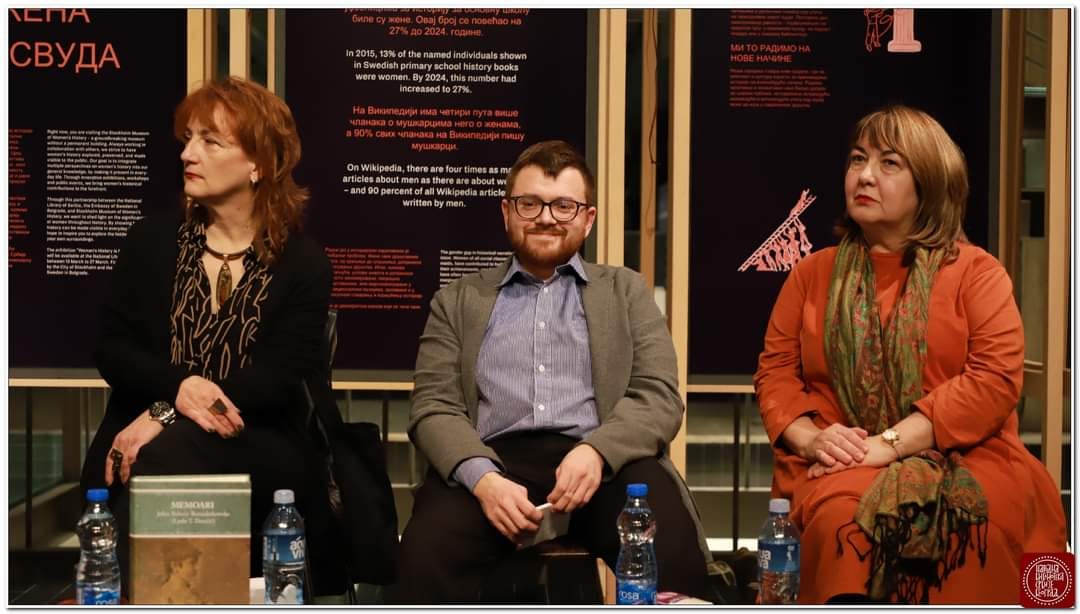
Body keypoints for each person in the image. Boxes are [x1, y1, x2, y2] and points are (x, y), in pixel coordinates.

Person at [754, 105, 1066, 604]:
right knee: (842, 521)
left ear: (930, 184)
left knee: (976, 522)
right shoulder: (811, 274)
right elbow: (776, 376)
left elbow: (993, 382)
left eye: (890, 163)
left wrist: (891, 443)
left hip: (969, 455)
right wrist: (814, 441)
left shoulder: (977, 273)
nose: (865, 175)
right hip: (840, 459)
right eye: (858, 159)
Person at [390, 140, 712, 604]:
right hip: (493, 463)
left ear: (588, 218)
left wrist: (597, 452)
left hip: (605, 464)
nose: (546, 217)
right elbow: (432, 407)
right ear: (507, 212)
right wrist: (482, 479)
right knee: (424, 558)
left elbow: (658, 395)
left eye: (564, 205)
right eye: (530, 203)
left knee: (673, 553)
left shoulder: (626, 292)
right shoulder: (457, 301)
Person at [79, 77, 342, 594]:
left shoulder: (305, 263)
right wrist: (176, 390)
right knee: (147, 457)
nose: (188, 154)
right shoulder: (150, 241)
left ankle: (149, 597)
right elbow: (113, 351)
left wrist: (165, 414)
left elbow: (275, 379)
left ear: (259, 163)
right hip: (141, 429)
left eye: (210, 141)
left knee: (161, 453)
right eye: (187, 139)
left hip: (256, 437)